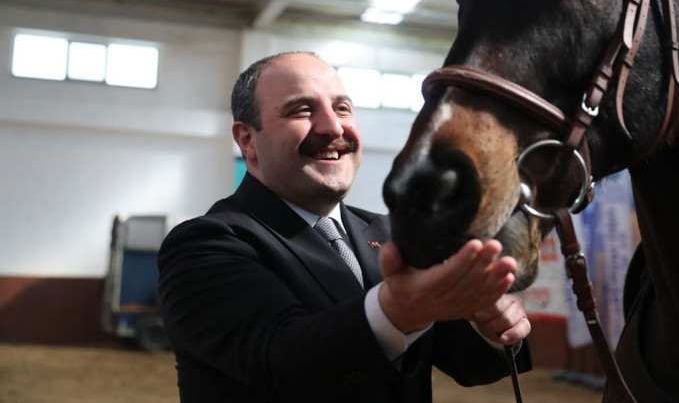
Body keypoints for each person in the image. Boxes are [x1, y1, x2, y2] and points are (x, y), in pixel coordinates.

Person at [157, 52, 531, 402]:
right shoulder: (205, 245)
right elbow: (281, 361)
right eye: (301, 110)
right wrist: (395, 313)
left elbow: (466, 363)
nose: (333, 126)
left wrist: (491, 329)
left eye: (342, 108)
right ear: (247, 140)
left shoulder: (388, 233)